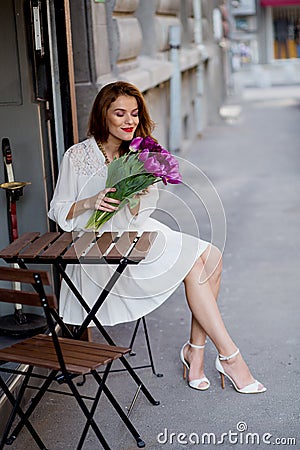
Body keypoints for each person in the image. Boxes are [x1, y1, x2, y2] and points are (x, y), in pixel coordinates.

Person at [48, 81, 266, 394]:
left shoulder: (140, 152)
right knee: (196, 264)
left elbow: (142, 212)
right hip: (95, 248)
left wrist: (136, 196)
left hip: (137, 233)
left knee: (212, 257)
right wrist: (91, 201)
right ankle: (227, 357)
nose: (129, 121)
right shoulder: (77, 156)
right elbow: (58, 210)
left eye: (134, 114)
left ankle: (197, 352)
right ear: (102, 115)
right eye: (120, 113)